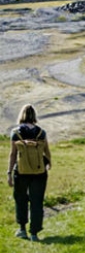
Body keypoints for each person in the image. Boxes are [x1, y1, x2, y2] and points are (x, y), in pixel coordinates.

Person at [7, 104, 51, 242]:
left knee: (21, 200)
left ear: (22, 115)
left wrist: (9, 172)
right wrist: (48, 164)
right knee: (37, 201)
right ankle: (34, 233)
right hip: (39, 172)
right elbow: (47, 151)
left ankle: (22, 230)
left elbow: (13, 154)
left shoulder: (16, 133)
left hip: (21, 171)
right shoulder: (41, 133)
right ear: (34, 116)